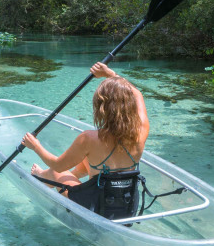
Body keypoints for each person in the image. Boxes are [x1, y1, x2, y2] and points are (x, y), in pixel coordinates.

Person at [21, 61, 149, 216]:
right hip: (128, 206)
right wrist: (111, 75)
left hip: (96, 208)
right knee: (88, 159)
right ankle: (71, 177)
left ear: (102, 108)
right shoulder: (141, 130)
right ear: (129, 105)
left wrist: (35, 146)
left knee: (54, 172)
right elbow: (137, 94)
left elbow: (58, 165)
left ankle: (41, 177)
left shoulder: (89, 138)